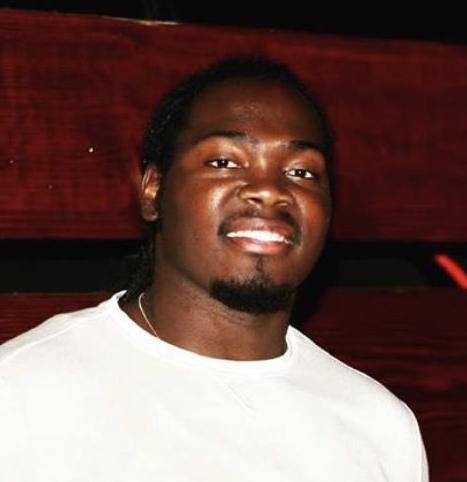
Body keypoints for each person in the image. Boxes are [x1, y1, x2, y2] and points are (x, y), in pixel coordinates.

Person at [0, 56, 429, 481]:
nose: (269, 190)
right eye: (224, 162)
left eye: (301, 171)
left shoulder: (380, 429)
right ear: (153, 190)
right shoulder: (23, 394)